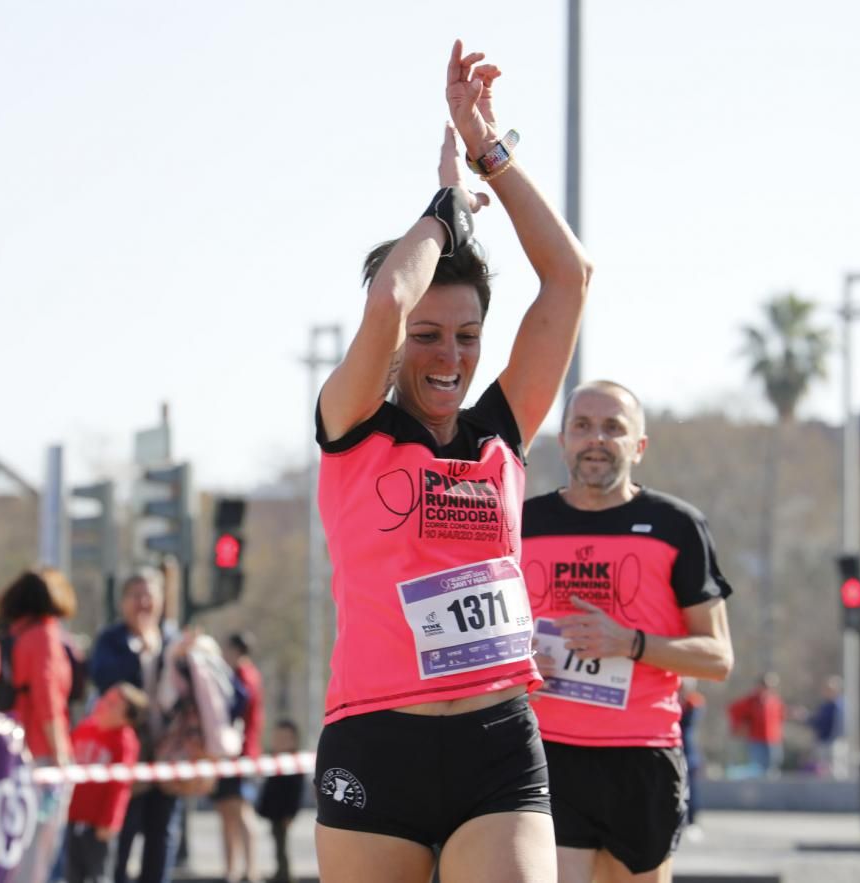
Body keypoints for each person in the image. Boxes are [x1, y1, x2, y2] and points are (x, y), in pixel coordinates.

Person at [313, 39, 591, 883]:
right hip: (376, 742)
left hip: (495, 742)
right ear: (396, 348)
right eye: (428, 339)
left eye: (468, 338)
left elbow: (570, 277)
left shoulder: (500, 432)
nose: (449, 358)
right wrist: (445, 211)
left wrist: (488, 155)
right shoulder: (352, 424)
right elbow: (391, 297)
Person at [522, 380, 734, 883]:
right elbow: (486, 633)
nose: (597, 438)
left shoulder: (675, 525)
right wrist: (518, 655)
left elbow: (718, 657)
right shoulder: (524, 523)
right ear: (563, 440)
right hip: (545, 749)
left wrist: (632, 644)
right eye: (583, 425)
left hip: (641, 755)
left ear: (638, 446)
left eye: (613, 428)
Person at [88, 566, 181, 883]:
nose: (143, 603)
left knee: (163, 830)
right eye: (136, 595)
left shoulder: (172, 639)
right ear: (123, 602)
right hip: (126, 753)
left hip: (167, 750)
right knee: (121, 831)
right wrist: (138, 651)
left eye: (149, 595)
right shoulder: (111, 640)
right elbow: (105, 682)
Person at [65, 682, 149, 883]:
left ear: (126, 717)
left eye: (112, 704)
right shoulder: (86, 728)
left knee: (99, 875)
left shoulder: (124, 741)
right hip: (73, 817)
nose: (102, 704)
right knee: (71, 874)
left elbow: (120, 787)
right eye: (105, 699)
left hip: (98, 825)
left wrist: (110, 821)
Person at [0, 568, 78, 764]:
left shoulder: (17, 633)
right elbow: (46, 694)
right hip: (42, 746)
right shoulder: (44, 635)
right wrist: (58, 749)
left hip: (15, 738)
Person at [214, 632, 264, 883]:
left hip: (241, 753)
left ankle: (249, 869)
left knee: (241, 810)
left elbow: (237, 709)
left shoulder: (243, 677)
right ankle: (232, 869)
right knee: (227, 810)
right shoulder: (243, 675)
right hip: (235, 752)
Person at [255, 719, 306, 883]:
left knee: (282, 845)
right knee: (277, 843)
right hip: (274, 810)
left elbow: (296, 793)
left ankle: (285, 875)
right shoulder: (274, 758)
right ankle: (281, 872)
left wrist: (291, 814)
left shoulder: (295, 763)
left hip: (284, 812)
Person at [728, 672, 786, 777]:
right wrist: (739, 726)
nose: (766, 689)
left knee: (773, 766)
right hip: (757, 739)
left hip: (773, 739)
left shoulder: (775, 701)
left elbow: (780, 717)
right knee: (758, 768)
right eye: (764, 685)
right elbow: (734, 710)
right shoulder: (752, 701)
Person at [678, 680, 705, 840]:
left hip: (689, 752)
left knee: (692, 789)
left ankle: (692, 820)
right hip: (676, 749)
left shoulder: (693, 702)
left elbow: (688, 722)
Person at [807, 675, 846, 779]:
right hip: (823, 741)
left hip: (834, 741)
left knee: (836, 769)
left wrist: (836, 738)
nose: (827, 692)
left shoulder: (839, 705)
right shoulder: (825, 705)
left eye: (830, 689)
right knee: (824, 769)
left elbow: (840, 725)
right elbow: (818, 721)